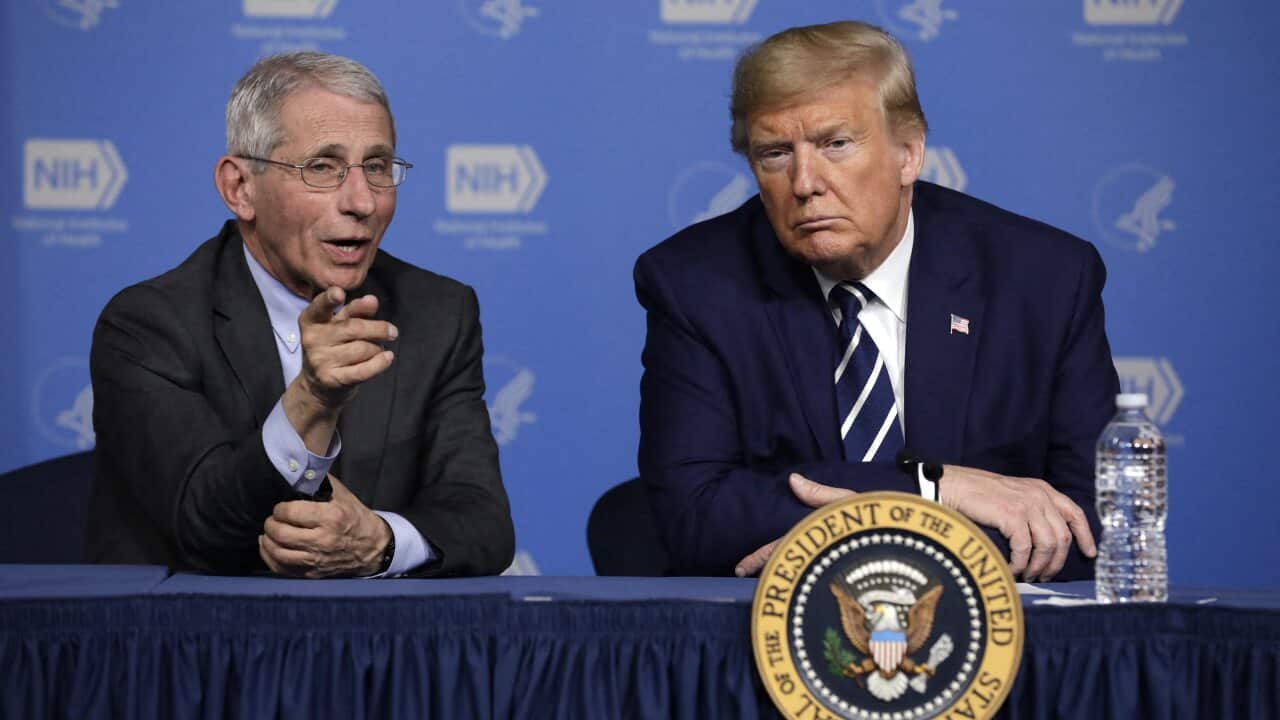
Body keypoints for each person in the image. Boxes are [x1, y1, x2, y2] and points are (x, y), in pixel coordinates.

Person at [635, 21, 1119, 582]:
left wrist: (833, 535)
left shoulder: (1044, 279)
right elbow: (694, 519)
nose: (804, 183)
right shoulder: (695, 283)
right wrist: (936, 489)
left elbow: (1093, 530)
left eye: (835, 144)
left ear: (908, 154)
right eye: (774, 153)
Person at [87, 52, 514, 578]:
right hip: (197, 644)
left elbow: (483, 523)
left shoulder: (437, 313)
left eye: (377, 166)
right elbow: (203, 525)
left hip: (378, 649)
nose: (362, 201)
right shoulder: (148, 325)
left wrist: (380, 542)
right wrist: (312, 400)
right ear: (240, 189)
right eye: (323, 167)